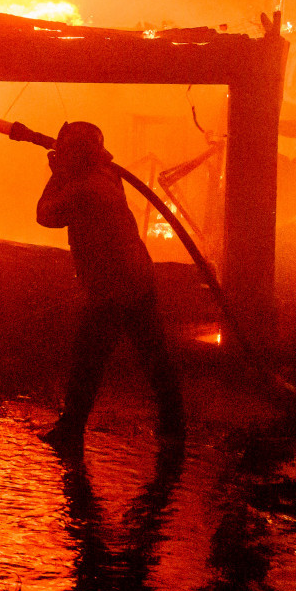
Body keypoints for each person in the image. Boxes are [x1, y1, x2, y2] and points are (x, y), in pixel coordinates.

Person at [35, 121, 184, 453]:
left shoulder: (83, 187)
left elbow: (44, 215)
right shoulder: (107, 175)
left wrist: (57, 172)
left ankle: (70, 431)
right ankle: (174, 428)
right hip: (136, 276)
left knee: (88, 359)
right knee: (154, 354)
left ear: (75, 154)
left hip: (112, 287)